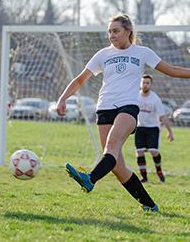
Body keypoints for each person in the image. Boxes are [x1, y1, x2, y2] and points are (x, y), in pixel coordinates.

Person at [56, 13, 190, 212]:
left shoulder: (142, 52)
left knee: (112, 144)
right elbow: (79, 80)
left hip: (128, 108)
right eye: (109, 32)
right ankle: (149, 205)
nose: (112, 35)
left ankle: (90, 178)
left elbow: (171, 70)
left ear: (128, 31)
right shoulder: (102, 55)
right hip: (104, 109)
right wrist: (63, 98)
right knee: (118, 167)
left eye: (116, 31)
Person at [135, 74, 174, 183]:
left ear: (151, 84)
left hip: (153, 128)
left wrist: (169, 132)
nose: (145, 85)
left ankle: (159, 172)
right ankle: (144, 177)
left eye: (147, 83)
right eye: (143, 82)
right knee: (139, 152)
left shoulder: (155, 98)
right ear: (140, 84)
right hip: (140, 127)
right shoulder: (135, 96)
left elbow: (162, 116)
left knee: (153, 151)